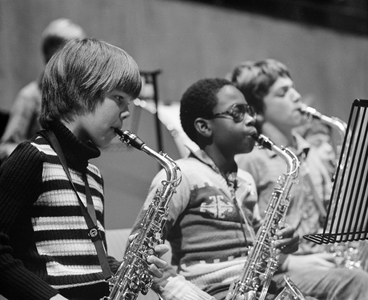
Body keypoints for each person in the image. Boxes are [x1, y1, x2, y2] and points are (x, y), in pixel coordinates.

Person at [0, 38, 168, 300]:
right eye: (119, 98)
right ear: (81, 92)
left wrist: (127, 269)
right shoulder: (33, 158)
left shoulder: (92, 174)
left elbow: (90, 260)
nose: (127, 112)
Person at [130, 78, 301, 300]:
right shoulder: (180, 177)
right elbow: (139, 252)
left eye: (249, 110)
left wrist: (283, 243)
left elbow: (259, 253)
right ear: (204, 126)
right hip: (208, 294)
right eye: (237, 112)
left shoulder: (246, 180)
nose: (252, 119)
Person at [230, 58, 368, 300]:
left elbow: (329, 215)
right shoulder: (251, 160)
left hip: (323, 258)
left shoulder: (312, 154)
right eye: (283, 92)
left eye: (293, 88)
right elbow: (245, 237)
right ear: (258, 109)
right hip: (280, 272)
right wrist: (291, 263)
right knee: (356, 282)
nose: (296, 96)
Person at [0, 18, 86, 164]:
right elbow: (6, 148)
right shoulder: (29, 96)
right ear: (49, 55)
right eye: (68, 54)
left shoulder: (76, 97)